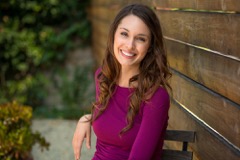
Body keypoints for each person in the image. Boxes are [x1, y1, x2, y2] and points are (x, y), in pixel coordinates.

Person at [72, 3, 172, 160]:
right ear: (114, 35)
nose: (130, 45)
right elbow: (113, 118)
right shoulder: (104, 78)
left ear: (150, 46)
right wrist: (87, 118)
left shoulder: (155, 97)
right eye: (124, 34)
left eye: (140, 39)